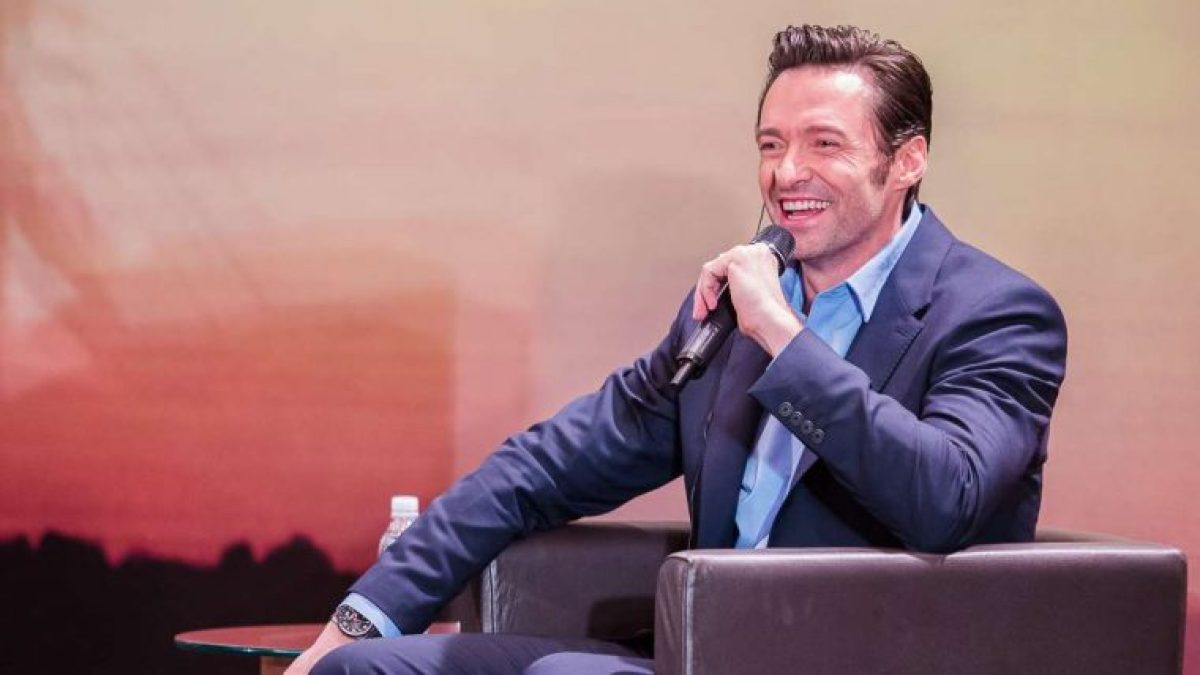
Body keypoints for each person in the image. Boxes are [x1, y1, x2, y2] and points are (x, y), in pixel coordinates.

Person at [287, 23, 1068, 675]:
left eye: (824, 143)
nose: (785, 172)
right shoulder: (727, 315)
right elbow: (542, 468)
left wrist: (783, 336)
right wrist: (360, 620)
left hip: (869, 656)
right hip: (704, 651)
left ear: (907, 160)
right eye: (770, 143)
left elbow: (944, 497)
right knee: (363, 670)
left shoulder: (994, 313)